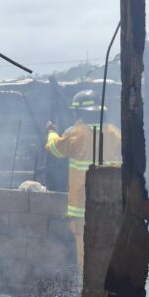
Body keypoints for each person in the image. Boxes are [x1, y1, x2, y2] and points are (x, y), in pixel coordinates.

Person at [45, 89, 121, 270]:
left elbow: (55, 149)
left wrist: (51, 131)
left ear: (78, 112)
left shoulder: (76, 133)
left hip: (82, 205)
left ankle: (86, 286)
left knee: (85, 247)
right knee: (110, 244)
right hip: (112, 203)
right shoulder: (115, 133)